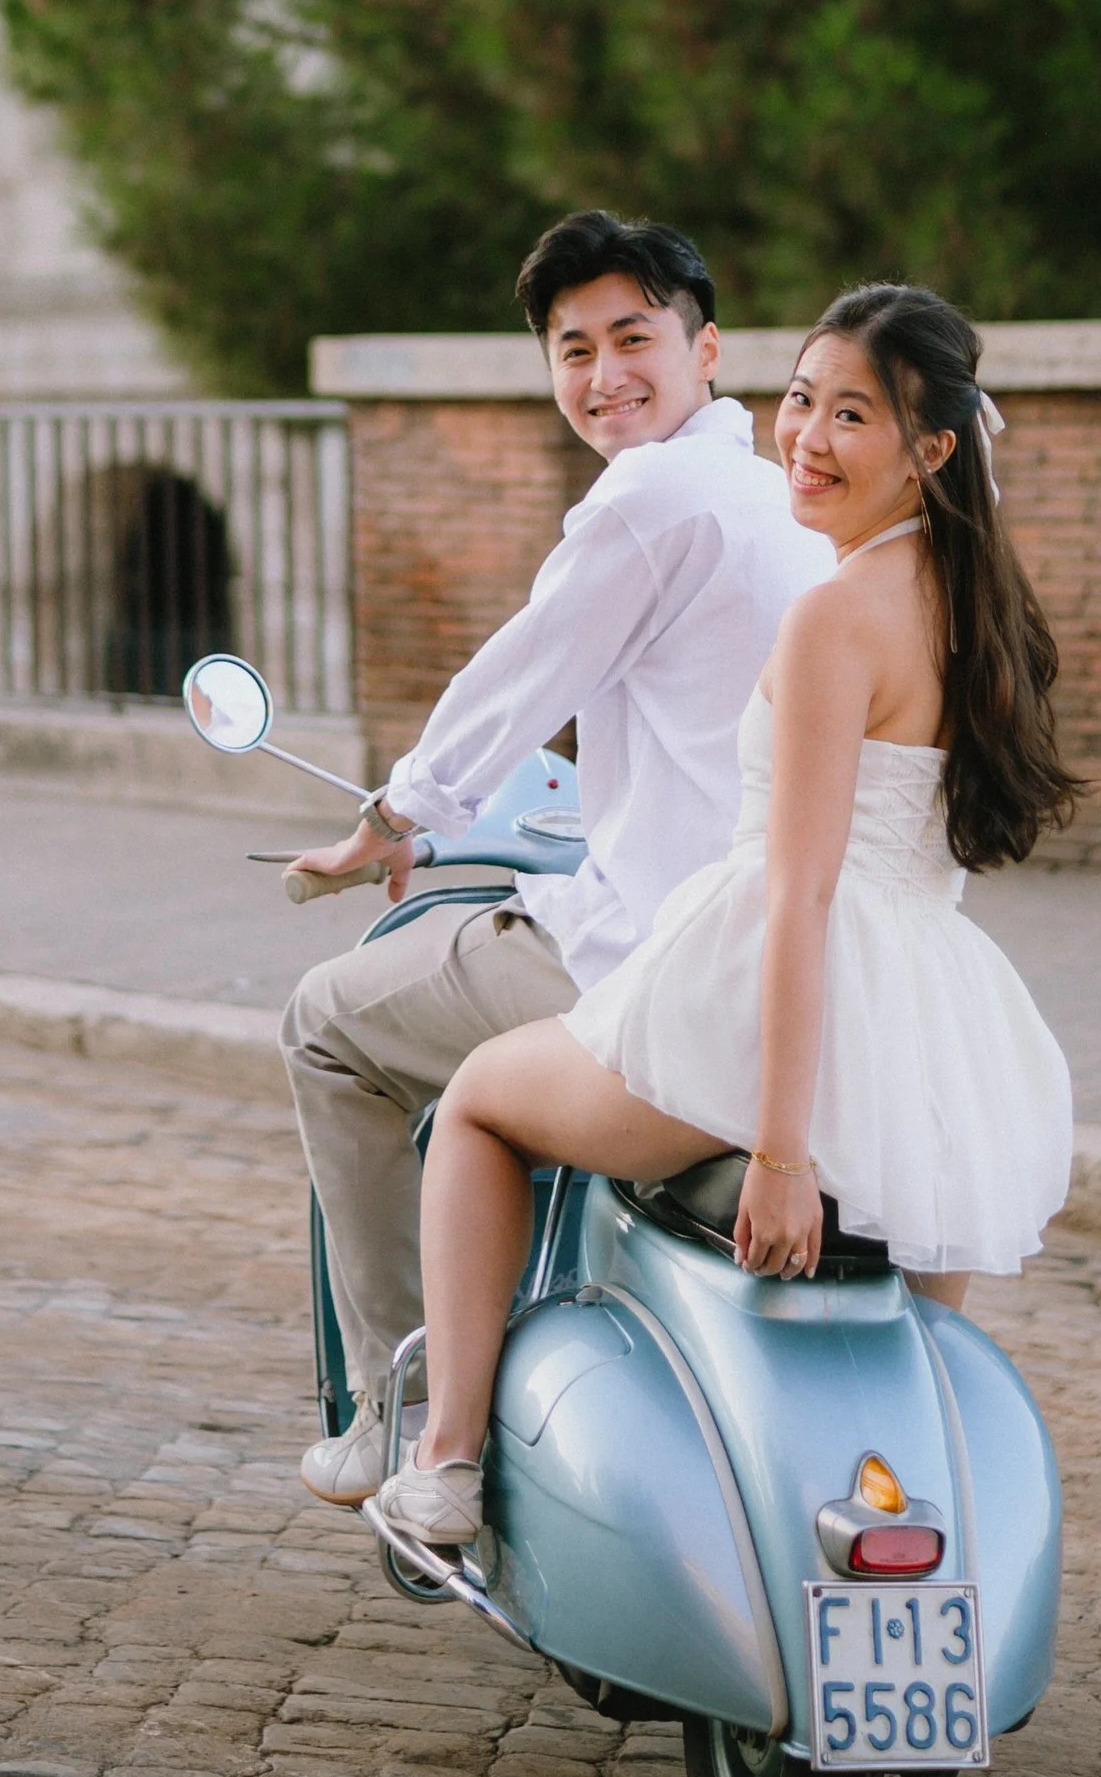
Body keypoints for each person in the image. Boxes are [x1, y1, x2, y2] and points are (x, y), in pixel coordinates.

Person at [369, 280, 1078, 1557]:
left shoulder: (835, 615)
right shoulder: (978, 609)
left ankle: (448, 1459)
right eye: (800, 398)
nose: (806, 436)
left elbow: (800, 896)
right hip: (929, 1028)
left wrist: (781, 1149)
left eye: (851, 414)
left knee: (476, 1097)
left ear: (929, 447)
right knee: (923, 1357)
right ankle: (937, 1552)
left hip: (778, 1007)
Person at [281, 211, 834, 1504]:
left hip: (657, 963)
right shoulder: (778, 498)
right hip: (787, 968)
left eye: (633, 338)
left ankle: (405, 1411)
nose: (602, 377)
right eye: (571, 348)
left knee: (328, 1024)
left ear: (710, 346)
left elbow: (519, 675)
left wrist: (394, 816)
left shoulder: (647, 496)